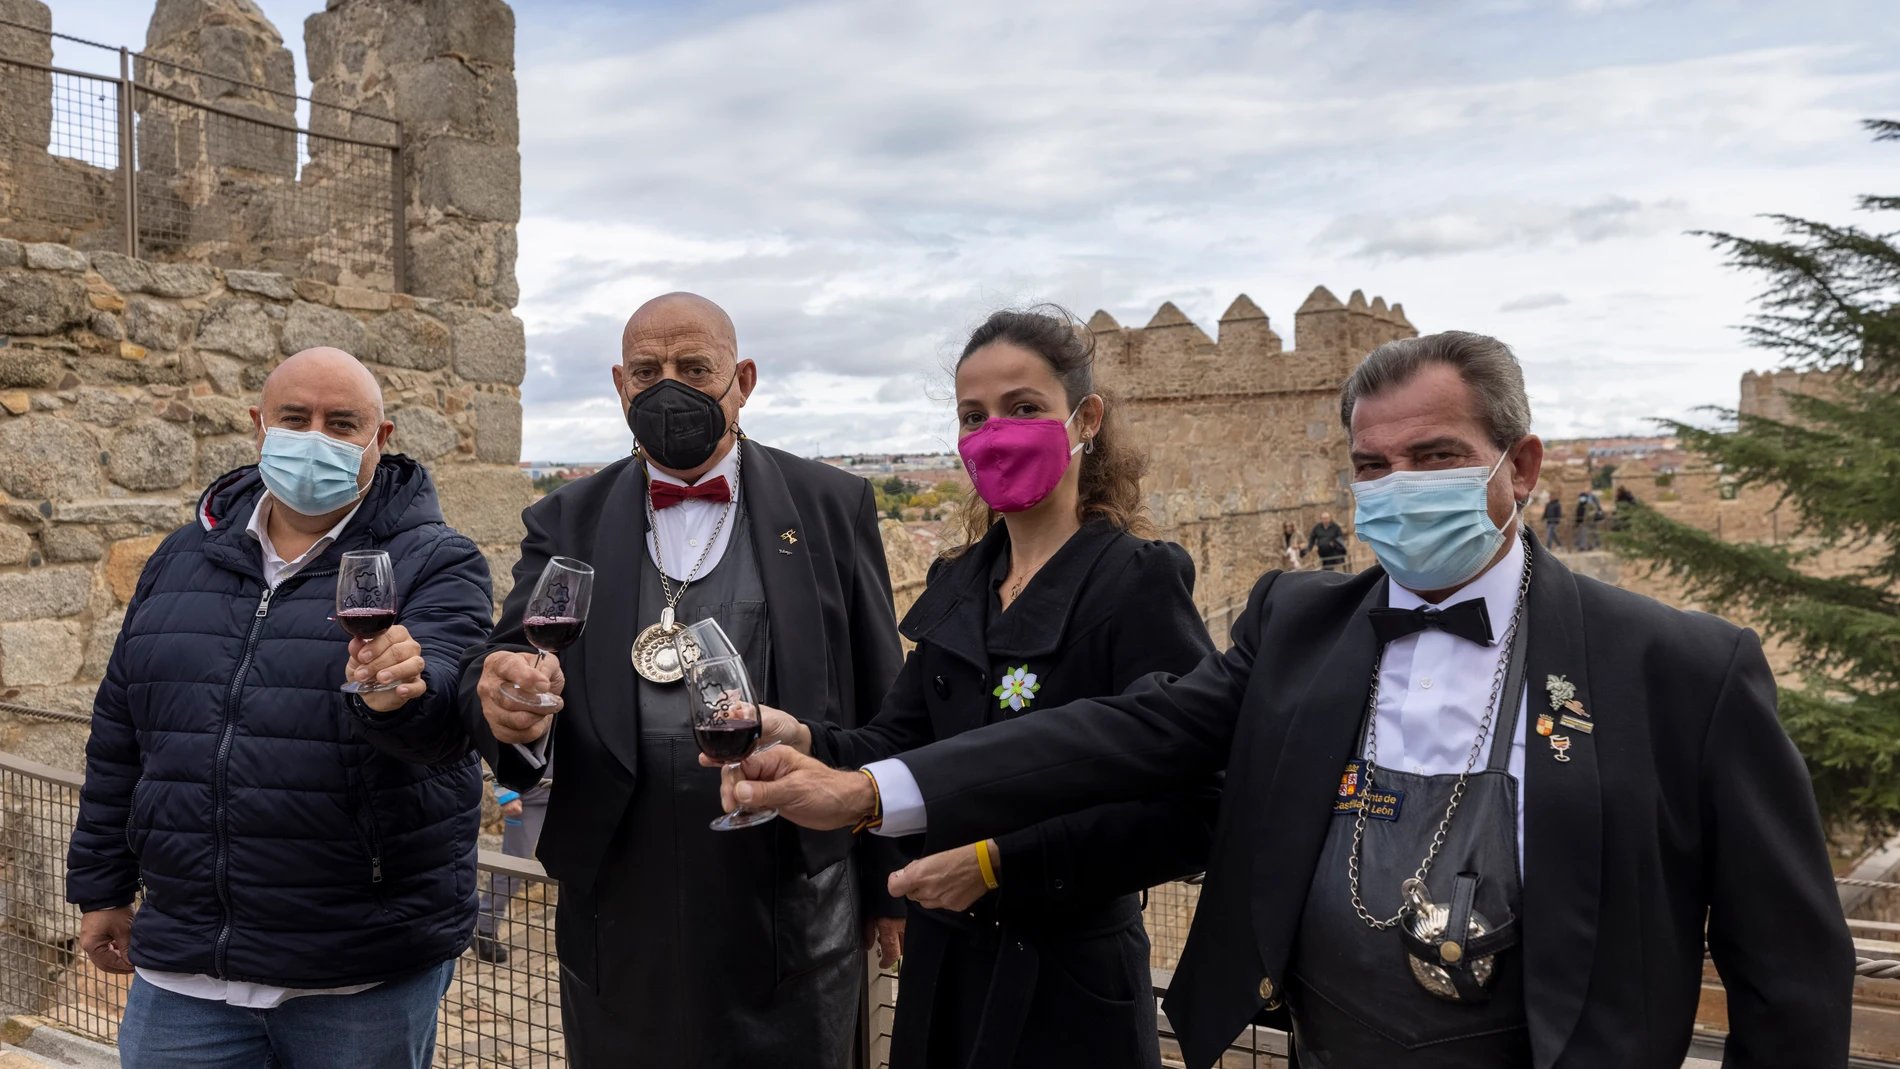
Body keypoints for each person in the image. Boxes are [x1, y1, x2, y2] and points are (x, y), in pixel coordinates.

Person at [726, 331, 1855, 1069]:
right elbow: (1129, 733)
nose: (1398, 487)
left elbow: (1788, 970)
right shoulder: (1299, 623)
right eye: (1372, 465)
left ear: (1520, 465)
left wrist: (988, 857)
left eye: (1436, 454)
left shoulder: (1679, 667)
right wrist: (872, 789)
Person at [741, 308, 1220, 1068]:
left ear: (1084, 419)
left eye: (1024, 408)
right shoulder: (961, 582)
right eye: (974, 415)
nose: (994, 431)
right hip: (946, 973)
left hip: (1069, 988)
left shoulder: (1134, 582)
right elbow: (898, 739)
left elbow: (1195, 807)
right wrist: (806, 740)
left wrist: (1001, 862)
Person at [460, 292, 907, 1067]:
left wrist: (885, 881)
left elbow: (880, 691)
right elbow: (508, 668)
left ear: (744, 379)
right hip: (617, 902)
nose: (669, 385)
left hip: (792, 901)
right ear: (620, 384)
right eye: (648, 370)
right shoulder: (565, 516)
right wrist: (507, 707)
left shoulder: (833, 503)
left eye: (695, 367)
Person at [68, 347, 495, 1069]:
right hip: (186, 971)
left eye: (343, 423)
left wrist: (397, 699)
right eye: (296, 419)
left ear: (380, 438)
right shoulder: (181, 556)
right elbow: (121, 733)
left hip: (361, 971)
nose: (316, 438)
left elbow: (448, 723)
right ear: (259, 427)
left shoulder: (437, 560)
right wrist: (102, 885)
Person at [471, 766, 551, 966]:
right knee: (511, 869)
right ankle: (485, 931)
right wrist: (506, 793)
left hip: (570, 794)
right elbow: (499, 746)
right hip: (527, 800)